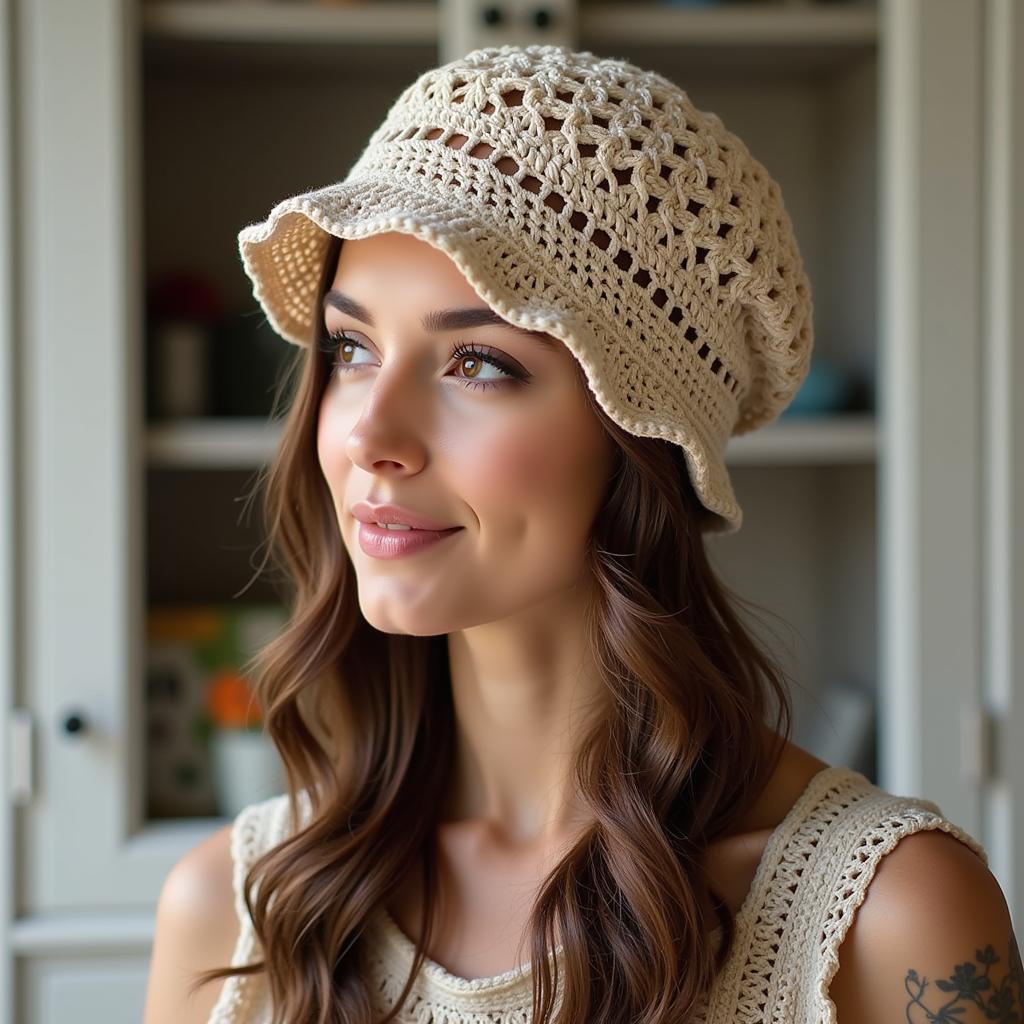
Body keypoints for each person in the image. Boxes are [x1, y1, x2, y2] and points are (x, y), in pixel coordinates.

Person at [143, 44, 1018, 1024]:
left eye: (475, 362)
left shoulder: (885, 915)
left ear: (641, 435)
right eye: (351, 348)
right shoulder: (234, 908)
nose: (368, 437)